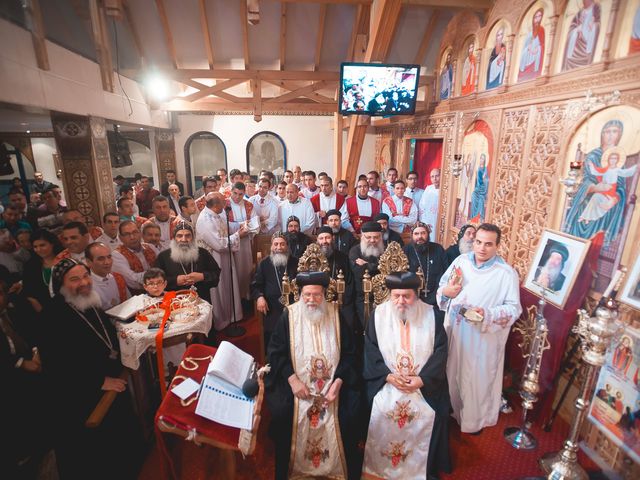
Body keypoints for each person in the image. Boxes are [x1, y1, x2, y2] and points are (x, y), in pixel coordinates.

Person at [41, 259, 142, 479]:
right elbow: (56, 365)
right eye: (74, 279)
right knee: (101, 460)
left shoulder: (88, 301)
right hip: (82, 396)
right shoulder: (52, 314)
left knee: (125, 447)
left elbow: (103, 335)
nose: (84, 283)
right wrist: (98, 381)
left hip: (113, 382)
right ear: (60, 284)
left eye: (85, 276)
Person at [266, 271, 361, 480]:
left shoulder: (336, 314)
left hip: (334, 390)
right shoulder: (289, 316)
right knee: (283, 414)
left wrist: (338, 382)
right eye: (307, 295)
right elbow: (275, 352)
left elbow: (350, 353)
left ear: (324, 294)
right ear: (300, 294)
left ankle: (339, 469)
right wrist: (292, 380)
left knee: (350, 415)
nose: (312, 300)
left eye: (317, 295)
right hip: (298, 388)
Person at [362, 272, 451, 479]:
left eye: (406, 296)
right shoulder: (378, 315)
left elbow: (441, 351)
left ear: (416, 295)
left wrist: (422, 380)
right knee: (381, 407)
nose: (401, 301)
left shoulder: (433, 315)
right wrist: (387, 376)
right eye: (396, 296)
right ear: (390, 295)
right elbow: (370, 350)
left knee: (428, 413)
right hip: (387, 383)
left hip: (423, 385)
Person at [437, 223, 521, 434]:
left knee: (476, 380)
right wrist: (446, 291)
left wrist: (488, 314)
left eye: (488, 244)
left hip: (483, 337)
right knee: (451, 372)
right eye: (478, 242)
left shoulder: (505, 273)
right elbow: (443, 286)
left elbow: (513, 308)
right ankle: (451, 412)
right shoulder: (461, 261)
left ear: (497, 245)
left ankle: (473, 421)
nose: (482, 248)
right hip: (456, 331)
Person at [1, 279, 50, 478]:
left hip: (34, 364)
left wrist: (36, 352)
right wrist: (22, 363)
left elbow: (33, 331)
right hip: (8, 378)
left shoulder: (14, 310)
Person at [564, 120, 630, 245]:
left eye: (614, 132)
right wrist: (593, 188)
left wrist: (614, 200)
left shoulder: (620, 162)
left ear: (620, 135)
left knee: (594, 242)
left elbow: (621, 188)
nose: (610, 135)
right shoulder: (592, 156)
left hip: (605, 205)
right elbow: (576, 179)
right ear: (601, 134)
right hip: (584, 202)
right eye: (607, 131)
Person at [195, 193, 245, 331]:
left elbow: (225, 228)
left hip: (224, 257)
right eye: (224, 202)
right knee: (221, 288)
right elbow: (220, 244)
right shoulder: (205, 220)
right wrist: (238, 235)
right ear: (216, 205)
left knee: (228, 286)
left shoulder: (216, 214)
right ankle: (222, 320)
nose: (226, 203)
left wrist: (240, 226)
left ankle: (231, 315)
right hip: (214, 259)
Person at [251, 232, 298, 349]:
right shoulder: (264, 264)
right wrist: (260, 297)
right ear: (271, 246)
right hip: (272, 307)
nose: (279, 248)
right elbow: (256, 285)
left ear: (287, 246)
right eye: (275, 244)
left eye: (282, 244)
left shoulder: (296, 262)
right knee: (273, 339)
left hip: (294, 306)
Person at [155, 222, 220, 305]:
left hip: (202, 300)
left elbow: (216, 273)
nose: (184, 239)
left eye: (188, 235)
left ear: (193, 237)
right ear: (174, 238)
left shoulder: (203, 253)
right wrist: (175, 280)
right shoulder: (163, 257)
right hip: (175, 303)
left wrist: (202, 276)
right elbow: (156, 281)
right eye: (179, 236)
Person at [578, 147, 637, 224]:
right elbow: (597, 172)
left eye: (615, 158)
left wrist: (635, 167)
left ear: (618, 160)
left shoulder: (617, 170)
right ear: (608, 160)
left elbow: (626, 173)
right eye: (611, 158)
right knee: (594, 197)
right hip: (603, 189)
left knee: (597, 198)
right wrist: (591, 165)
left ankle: (587, 217)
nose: (613, 160)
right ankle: (586, 217)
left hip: (610, 191)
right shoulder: (606, 169)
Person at [317, 225, 356, 328]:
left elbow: (349, 282)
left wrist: (341, 300)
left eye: (327, 237)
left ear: (333, 239)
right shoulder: (313, 259)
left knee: (349, 321)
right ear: (317, 241)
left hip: (340, 302)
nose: (324, 241)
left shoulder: (342, 257)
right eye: (321, 238)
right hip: (318, 301)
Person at [349, 221, 385, 330]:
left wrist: (367, 265)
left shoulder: (386, 249)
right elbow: (358, 272)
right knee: (367, 327)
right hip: (363, 297)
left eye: (376, 237)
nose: (373, 240)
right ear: (362, 236)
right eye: (368, 237)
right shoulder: (354, 251)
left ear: (381, 237)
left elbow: (389, 270)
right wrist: (377, 265)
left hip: (384, 296)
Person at [404, 222, 448, 308]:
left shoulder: (438, 249)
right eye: (416, 234)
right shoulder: (406, 250)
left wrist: (435, 297)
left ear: (428, 234)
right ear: (412, 236)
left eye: (423, 233)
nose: (420, 236)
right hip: (412, 300)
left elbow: (446, 274)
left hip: (436, 299)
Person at [227, 182, 257, 300]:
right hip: (231, 242)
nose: (237, 197)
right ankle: (235, 297)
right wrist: (241, 226)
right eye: (235, 193)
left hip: (246, 243)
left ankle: (246, 296)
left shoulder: (248, 205)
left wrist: (247, 229)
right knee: (234, 270)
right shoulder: (225, 204)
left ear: (244, 193)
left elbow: (255, 223)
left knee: (246, 269)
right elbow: (222, 224)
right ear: (231, 191)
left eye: (240, 194)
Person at [22, 229, 63, 312]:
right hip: (45, 310)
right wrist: (42, 311)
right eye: (35, 247)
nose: (39, 249)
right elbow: (29, 293)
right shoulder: (30, 266)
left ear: (52, 244)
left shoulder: (64, 259)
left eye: (42, 245)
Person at [112, 220, 157, 293]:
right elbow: (132, 280)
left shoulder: (151, 247)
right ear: (120, 238)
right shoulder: (117, 255)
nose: (132, 237)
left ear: (140, 233)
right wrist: (158, 275)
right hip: (137, 295)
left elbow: (164, 266)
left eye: (135, 232)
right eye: (127, 234)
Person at [85, 242, 130, 311]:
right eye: (101, 259)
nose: (107, 262)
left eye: (109, 257)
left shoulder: (118, 277)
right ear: (88, 262)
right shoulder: (86, 286)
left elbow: (130, 302)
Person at [563, 0, 601, 71]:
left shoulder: (596, 8)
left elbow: (597, 23)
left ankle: (588, 55)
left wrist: (593, 25)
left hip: (589, 35)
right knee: (574, 33)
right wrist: (577, 29)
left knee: (593, 29)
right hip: (578, 39)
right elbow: (573, 26)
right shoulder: (580, 12)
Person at [518, 7, 546, 82]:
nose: (537, 19)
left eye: (539, 16)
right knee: (524, 53)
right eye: (535, 17)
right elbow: (525, 46)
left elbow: (543, 45)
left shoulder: (542, 30)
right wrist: (528, 48)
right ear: (533, 19)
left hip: (536, 54)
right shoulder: (530, 33)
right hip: (528, 55)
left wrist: (538, 49)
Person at [419, 168, 441, 242]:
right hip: (428, 221)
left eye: (437, 176)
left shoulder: (445, 189)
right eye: (432, 176)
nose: (435, 179)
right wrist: (424, 222)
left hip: (439, 220)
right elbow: (422, 206)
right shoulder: (428, 189)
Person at [470, 154, 489, 222]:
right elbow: (476, 180)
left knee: (481, 199)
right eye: (481, 158)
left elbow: (487, 180)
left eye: (483, 159)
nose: (481, 160)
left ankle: (481, 218)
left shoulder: (485, 169)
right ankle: (473, 216)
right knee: (473, 196)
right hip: (477, 188)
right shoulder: (478, 168)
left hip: (483, 189)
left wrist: (485, 179)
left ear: (485, 160)